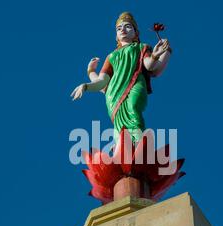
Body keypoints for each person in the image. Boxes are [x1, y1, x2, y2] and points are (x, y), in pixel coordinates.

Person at [71, 12, 172, 142]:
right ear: (116, 36)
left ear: (136, 33)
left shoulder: (141, 47)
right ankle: (122, 146)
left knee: (133, 108)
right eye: (119, 28)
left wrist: (156, 54)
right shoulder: (111, 56)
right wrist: (87, 80)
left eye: (128, 26)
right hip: (114, 94)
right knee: (119, 125)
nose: (123, 30)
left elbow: (149, 66)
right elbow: (102, 82)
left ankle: (139, 143)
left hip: (136, 83)